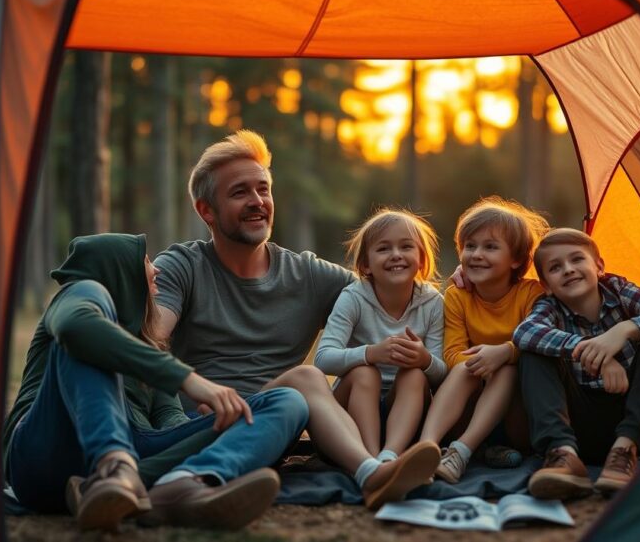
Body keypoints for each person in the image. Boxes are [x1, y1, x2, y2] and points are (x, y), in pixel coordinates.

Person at [153, 130, 439, 510]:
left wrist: (469, 284)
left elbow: (386, 285)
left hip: (277, 424)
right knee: (308, 376)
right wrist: (185, 398)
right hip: (204, 424)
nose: (258, 202)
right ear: (206, 210)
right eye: (240, 193)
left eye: (263, 190)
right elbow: (150, 340)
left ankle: (374, 469)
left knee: (300, 388)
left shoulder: (309, 275)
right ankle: (372, 474)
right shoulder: (181, 266)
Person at [2, 233, 309, 532]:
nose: (156, 269)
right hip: (44, 451)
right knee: (83, 343)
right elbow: (76, 327)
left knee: (285, 402)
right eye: (145, 260)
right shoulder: (80, 293)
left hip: (134, 449)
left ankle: (180, 483)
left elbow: (167, 418)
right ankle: (114, 467)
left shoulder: (149, 346)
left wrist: (208, 425)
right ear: (118, 271)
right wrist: (187, 379)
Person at [513, 228, 640, 499]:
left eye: (577, 259)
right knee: (533, 352)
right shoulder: (549, 308)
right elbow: (524, 333)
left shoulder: (619, 291)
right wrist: (593, 352)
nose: (568, 270)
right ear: (546, 285)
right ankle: (562, 455)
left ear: (599, 266)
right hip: (581, 427)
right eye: (555, 267)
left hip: (638, 422)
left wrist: (626, 329)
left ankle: (624, 451)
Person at [418, 197, 549, 483]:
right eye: (470, 246)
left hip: (519, 417)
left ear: (516, 259)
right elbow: (452, 354)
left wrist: (504, 353)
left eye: (490, 247)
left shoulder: (530, 294)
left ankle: (462, 453)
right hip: (467, 408)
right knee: (467, 367)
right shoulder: (457, 295)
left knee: (507, 369)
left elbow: (541, 342)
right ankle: (425, 449)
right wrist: (484, 366)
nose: (476, 254)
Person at [314, 209, 448, 461]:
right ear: (366, 264)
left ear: (421, 258)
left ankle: (390, 456)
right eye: (383, 248)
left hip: (407, 413)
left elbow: (442, 374)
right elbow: (322, 358)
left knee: (415, 375)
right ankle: (369, 459)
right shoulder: (354, 297)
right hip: (353, 410)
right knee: (365, 372)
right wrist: (371, 353)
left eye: (406, 246)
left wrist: (424, 360)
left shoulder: (433, 303)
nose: (396, 255)